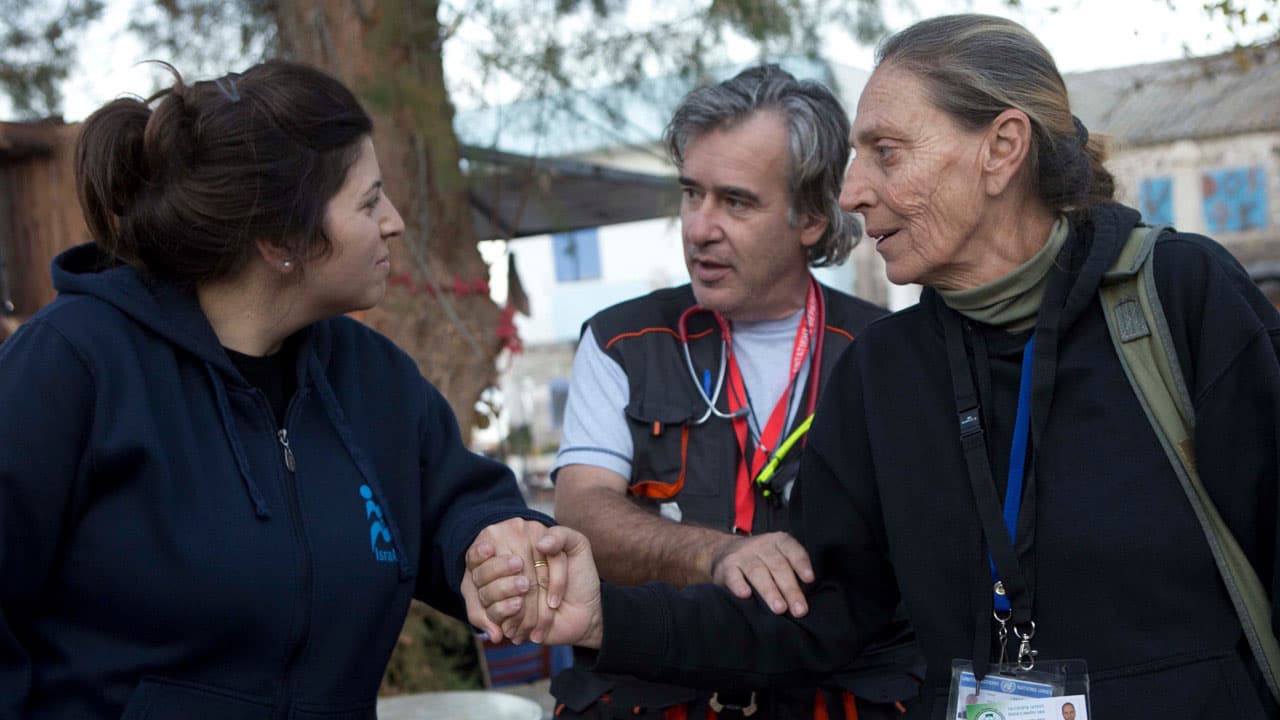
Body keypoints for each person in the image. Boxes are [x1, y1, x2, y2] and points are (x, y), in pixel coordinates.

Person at [469, 14, 1280, 719]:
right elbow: (813, 615)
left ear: (1001, 149)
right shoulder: (885, 372)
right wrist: (605, 614)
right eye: (857, 157)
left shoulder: (1179, 298)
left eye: (885, 153)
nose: (853, 192)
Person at [0, 60, 557, 718]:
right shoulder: (73, 362)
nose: (395, 222)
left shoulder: (371, 377)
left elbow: (455, 507)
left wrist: (491, 548)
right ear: (279, 240)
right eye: (370, 201)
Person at [543, 65, 921, 718]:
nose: (699, 227)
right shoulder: (620, 340)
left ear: (809, 216)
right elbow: (581, 513)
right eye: (693, 194)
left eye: (736, 202)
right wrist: (716, 554)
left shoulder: (888, 352)